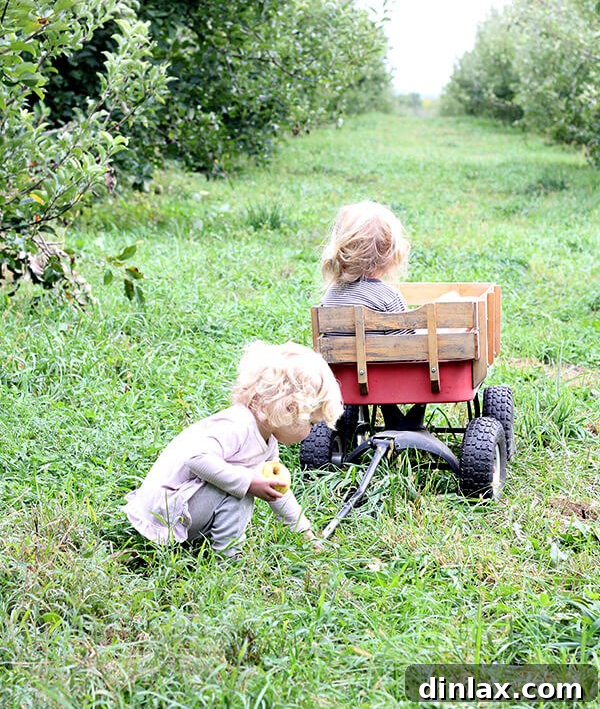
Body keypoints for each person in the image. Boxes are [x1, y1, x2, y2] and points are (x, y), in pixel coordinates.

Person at [123, 341, 343, 557]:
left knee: (245, 483)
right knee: (243, 488)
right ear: (289, 408)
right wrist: (248, 482)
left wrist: (305, 532)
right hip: (165, 511)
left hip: (183, 506)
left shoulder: (267, 440)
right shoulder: (237, 425)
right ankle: (228, 557)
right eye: (311, 424)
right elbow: (195, 457)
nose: (311, 433)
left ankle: (214, 541)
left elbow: (279, 491)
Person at [321, 200, 422, 429]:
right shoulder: (388, 297)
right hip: (393, 382)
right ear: (390, 255)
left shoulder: (331, 296)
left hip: (346, 381)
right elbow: (411, 346)